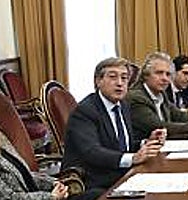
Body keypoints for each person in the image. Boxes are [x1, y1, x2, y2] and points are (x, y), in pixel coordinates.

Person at [62, 56, 166, 189]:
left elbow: (118, 145)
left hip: (119, 175)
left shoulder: (123, 105)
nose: (120, 83)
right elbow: (92, 152)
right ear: (98, 81)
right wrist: (133, 158)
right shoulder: (85, 111)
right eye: (113, 77)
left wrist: (146, 142)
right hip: (91, 183)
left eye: (124, 78)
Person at [126, 51, 188, 139]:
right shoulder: (136, 97)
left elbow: (179, 115)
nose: (165, 78)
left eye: (168, 74)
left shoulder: (160, 94)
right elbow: (159, 126)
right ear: (146, 75)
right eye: (159, 73)